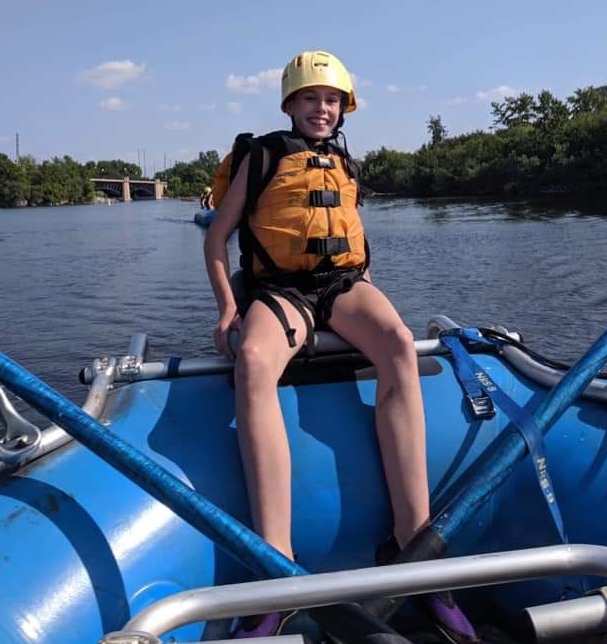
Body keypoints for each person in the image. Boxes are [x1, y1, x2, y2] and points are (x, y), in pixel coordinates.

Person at [204, 50, 478, 643]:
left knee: (400, 344)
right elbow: (218, 238)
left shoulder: (345, 161)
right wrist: (229, 307)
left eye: (332, 100)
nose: (322, 109)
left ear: (344, 108)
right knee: (253, 361)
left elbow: (352, 236)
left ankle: (414, 546)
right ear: (290, 105)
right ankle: (274, 560)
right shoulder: (263, 155)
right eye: (310, 99)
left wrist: (370, 297)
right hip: (280, 290)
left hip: (342, 285)